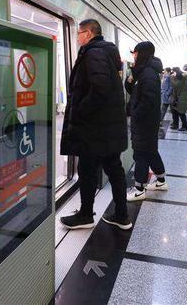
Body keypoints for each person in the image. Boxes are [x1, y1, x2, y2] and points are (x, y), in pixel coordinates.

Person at [59, 19, 132, 230]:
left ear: (89, 33)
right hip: (106, 127)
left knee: (87, 169)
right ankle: (122, 215)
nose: (77, 38)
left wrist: (80, 111)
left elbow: (100, 89)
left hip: (95, 128)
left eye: (79, 33)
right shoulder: (105, 52)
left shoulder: (94, 53)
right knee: (114, 169)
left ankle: (85, 215)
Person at [124, 42, 168, 201]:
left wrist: (135, 113)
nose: (134, 56)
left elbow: (148, 101)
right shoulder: (143, 71)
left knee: (141, 153)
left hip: (145, 122)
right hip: (146, 120)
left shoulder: (148, 74)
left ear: (142, 53)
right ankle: (161, 181)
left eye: (135, 53)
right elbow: (135, 91)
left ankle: (139, 189)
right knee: (150, 151)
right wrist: (130, 80)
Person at [170, 67, 187, 131]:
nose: (173, 74)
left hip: (181, 98)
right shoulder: (179, 78)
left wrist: (171, 78)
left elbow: (176, 85)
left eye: (174, 72)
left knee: (181, 113)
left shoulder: (182, 79)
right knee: (174, 111)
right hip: (177, 98)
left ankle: (185, 126)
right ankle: (175, 124)